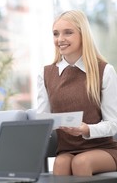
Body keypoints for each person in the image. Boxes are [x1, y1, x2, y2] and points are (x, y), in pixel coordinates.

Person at [37, 10, 117, 176]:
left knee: (82, 162)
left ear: (83, 35)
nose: (60, 39)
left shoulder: (104, 71)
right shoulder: (45, 74)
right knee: (61, 163)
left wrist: (86, 129)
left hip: (104, 149)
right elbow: (42, 121)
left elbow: (113, 124)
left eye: (68, 32)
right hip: (66, 150)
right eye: (55, 34)